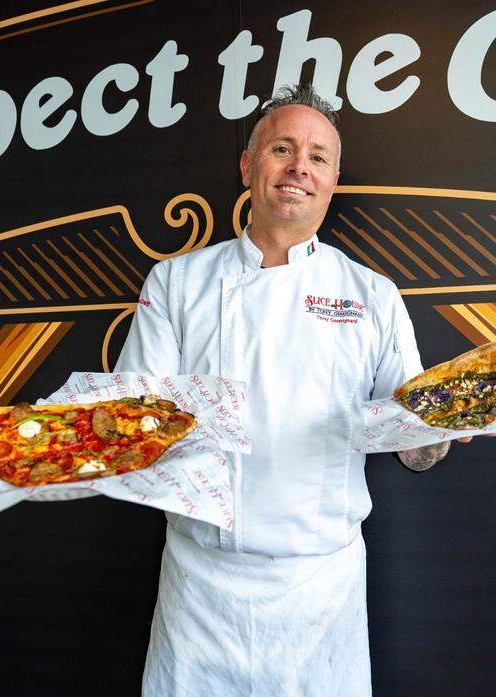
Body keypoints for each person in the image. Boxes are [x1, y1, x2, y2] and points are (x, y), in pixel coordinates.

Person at [116, 83, 476, 696]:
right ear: (248, 165)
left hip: (321, 593)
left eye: (317, 157)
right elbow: (133, 423)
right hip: (200, 588)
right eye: (282, 149)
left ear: (333, 179)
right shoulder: (176, 282)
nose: (298, 168)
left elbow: (414, 449)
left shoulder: (372, 295)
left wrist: (444, 424)